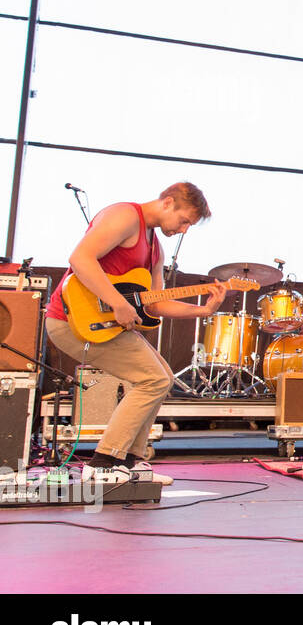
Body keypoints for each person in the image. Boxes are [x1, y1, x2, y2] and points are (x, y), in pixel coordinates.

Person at [44, 182, 228, 485]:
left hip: (102, 324)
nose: (183, 230)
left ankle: (131, 460)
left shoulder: (155, 249)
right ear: (168, 202)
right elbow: (80, 259)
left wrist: (204, 310)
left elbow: (155, 304)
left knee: (162, 377)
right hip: (69, 320)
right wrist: (117, 303)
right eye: (184, 221)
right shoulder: (124, 216)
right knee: (152, 378)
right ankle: (103, 462)